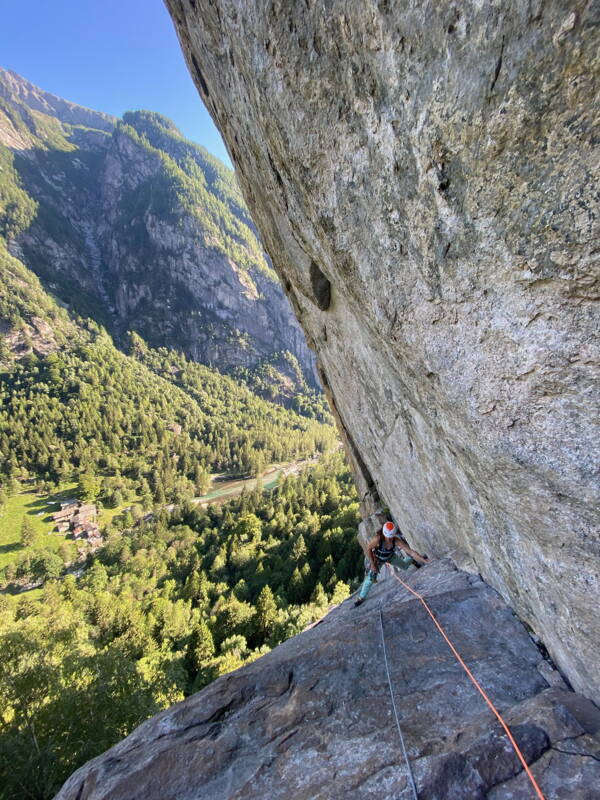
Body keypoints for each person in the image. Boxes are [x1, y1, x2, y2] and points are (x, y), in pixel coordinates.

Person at [354, 520, 429, 607]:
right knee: (370, 578)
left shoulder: (396, 540)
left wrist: (424, 561)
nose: (389, 539)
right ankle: (361, 597)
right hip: (377, 559)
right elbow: (368, 548)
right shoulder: (378, 539)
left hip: (390, 557)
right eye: (388, 537)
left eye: (391, 537)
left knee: (404, 566)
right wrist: (373, 564)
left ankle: (411, 560)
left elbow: (410, 551)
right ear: (384, 534)